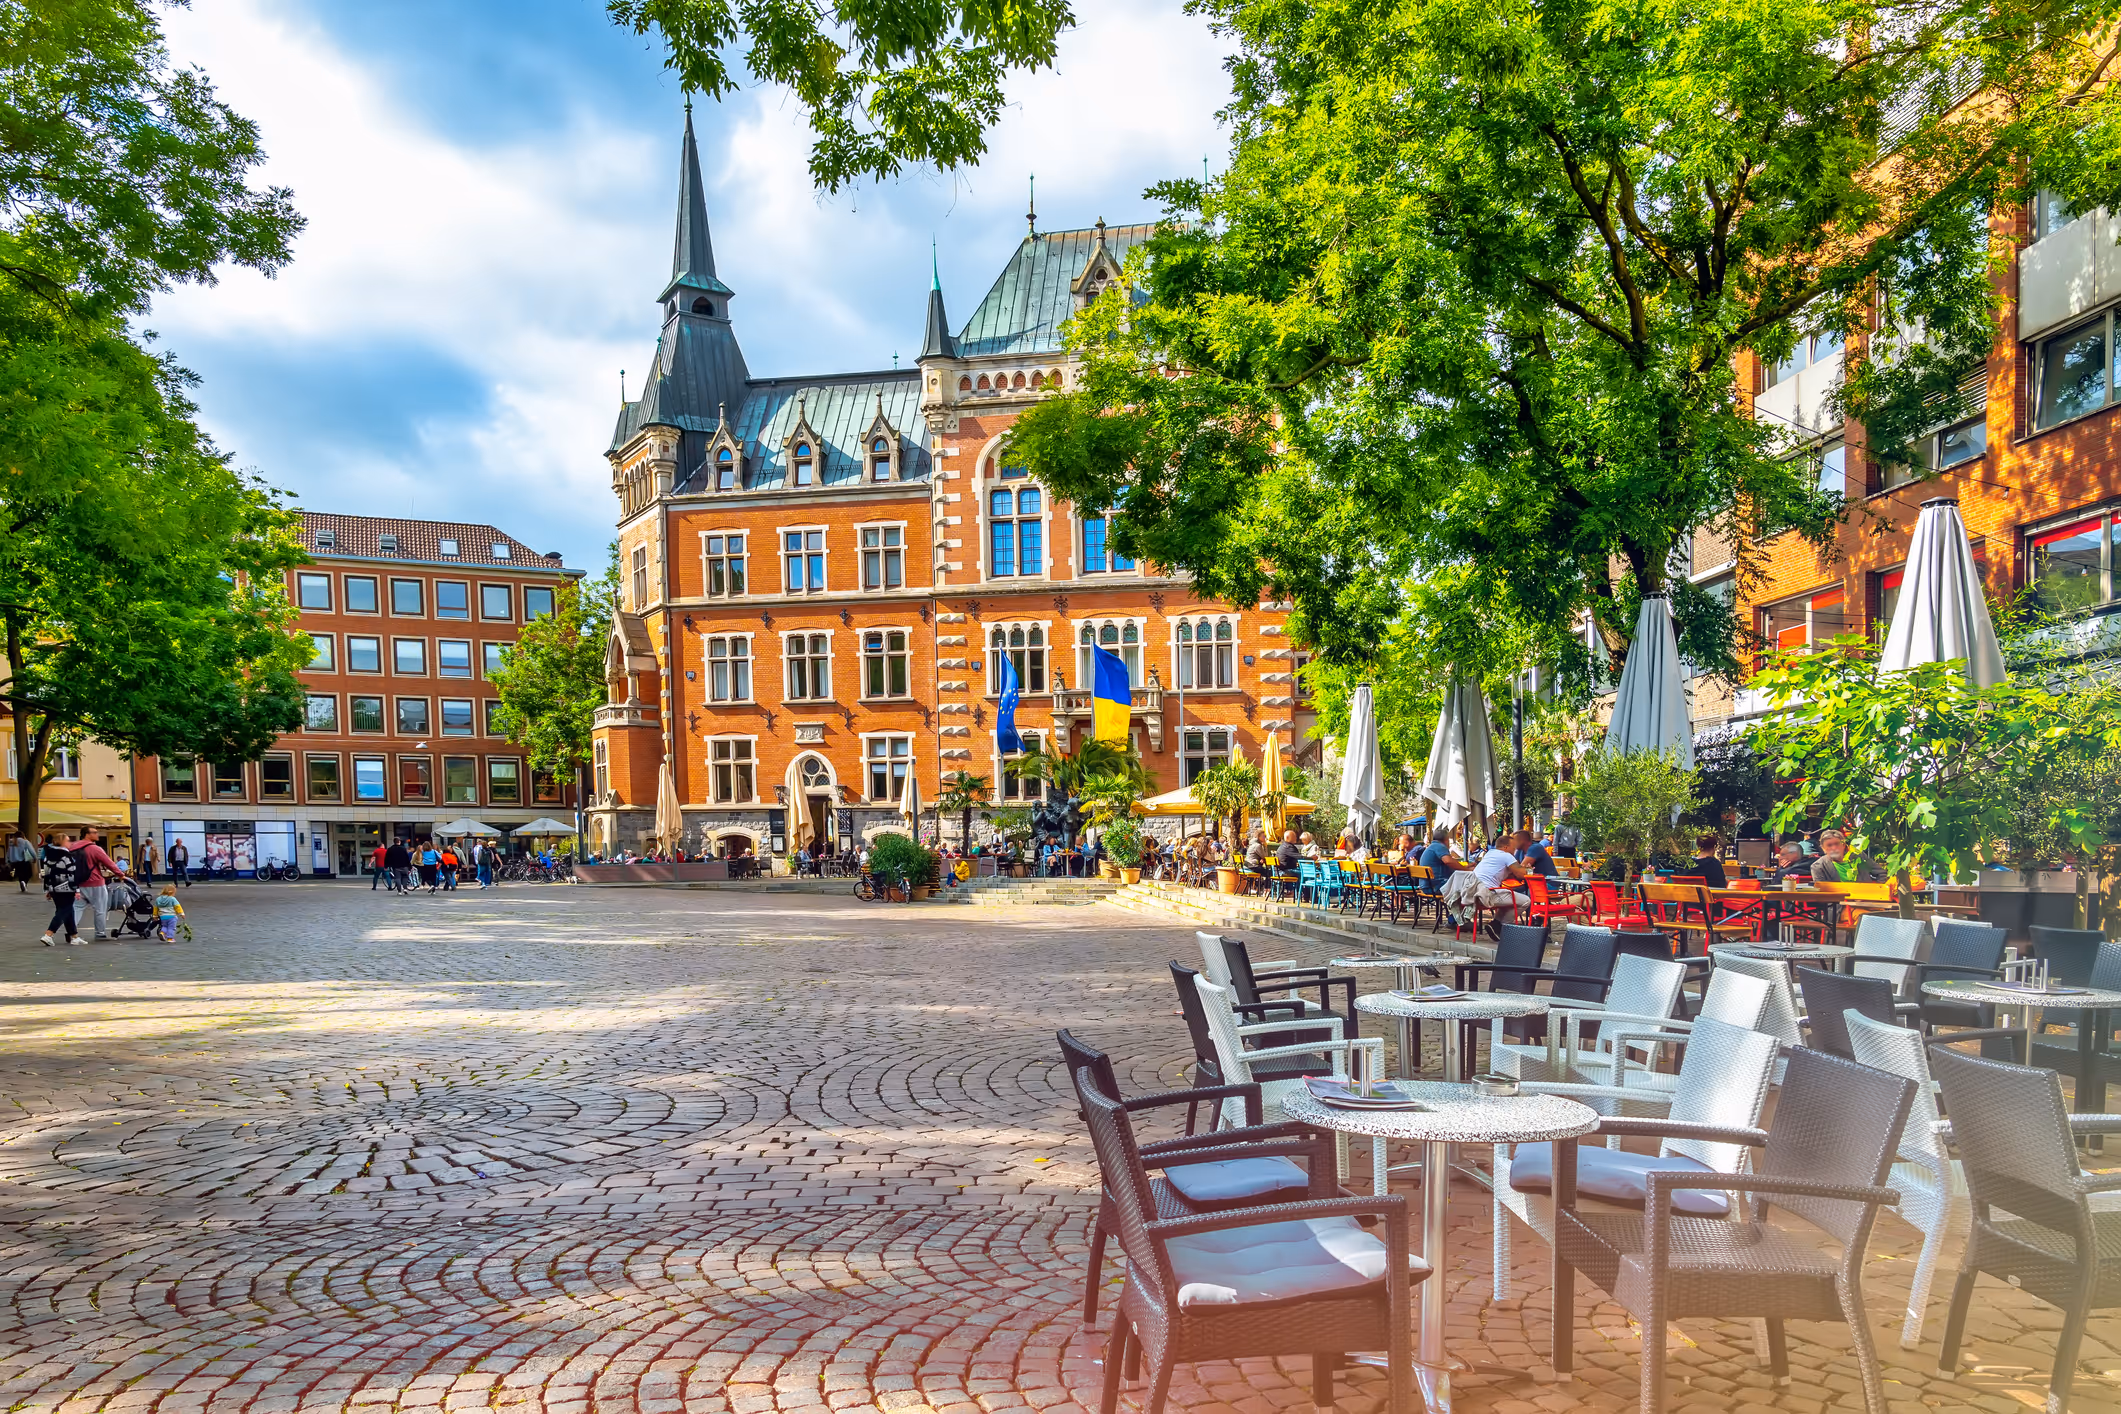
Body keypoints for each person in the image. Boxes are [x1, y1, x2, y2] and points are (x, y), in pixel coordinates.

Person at [69, 826, 127, 941]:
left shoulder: (72, 847)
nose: (97, 834)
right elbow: (109, 863)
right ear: (87, 834)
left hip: (78, 882)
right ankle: (100, 933)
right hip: (95, 882)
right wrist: (120, 874)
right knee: (100, 909)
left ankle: (71, 931)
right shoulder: (95, 848)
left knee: (77, 908)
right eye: (94, 832)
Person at [40, 832, 84, 946]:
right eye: (68, 840)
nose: (70, 843)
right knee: (63, 911)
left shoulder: (48, 856)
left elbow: (46, 873)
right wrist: (76, 889)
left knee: (68, 911)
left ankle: (74, 936)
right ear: (62, 842)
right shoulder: (67, 856)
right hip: (66, 888)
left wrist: (48, 889)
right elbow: (72, 873)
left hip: (54, 888)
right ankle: (48, 934)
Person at [1417, 825, 1466, 903]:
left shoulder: (1431, 847)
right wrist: (1466, 869)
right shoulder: (1439, 846)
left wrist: (1465, 867)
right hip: (1436, 887)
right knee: (1468, 886)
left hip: (1426, 886)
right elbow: (1448, 861)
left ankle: (1454, 913)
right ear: (1446, 839)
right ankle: (1457, 913)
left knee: (1463, 884)